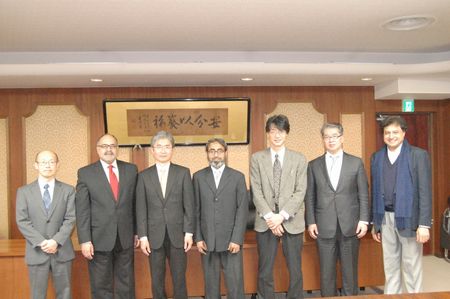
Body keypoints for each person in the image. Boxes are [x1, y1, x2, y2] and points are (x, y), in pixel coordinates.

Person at [305, 123, 369, 296]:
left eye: (334, 136)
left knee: (350, 274)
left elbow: (363, 193)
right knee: (326, 274)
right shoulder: (313, 165)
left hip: (351, 226)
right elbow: (309, 196)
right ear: (323, 140)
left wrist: (364, 220)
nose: (331, 140)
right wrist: (310, 221)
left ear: (342, 138)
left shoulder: (355, 163)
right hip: (323, 226)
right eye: (327, 136)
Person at [371, 115, 432, 294]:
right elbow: (375, 191)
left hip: (410, 219)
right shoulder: (377, 157)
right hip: (385, 218)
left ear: (404, 133)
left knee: (411, 266)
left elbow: (425, 191)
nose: (391, 136)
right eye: (387, 132)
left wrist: (424, 224)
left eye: (395, 132)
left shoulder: (418, 155)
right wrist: (376, 224)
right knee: (390, 266)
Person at [250, 114, 308, 299]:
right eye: (273, 131)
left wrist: (280, 217)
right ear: (267, 133)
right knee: (265, 269)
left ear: (287, 133)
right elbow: (256, 191)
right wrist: (271, 218)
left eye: (281, 131)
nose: (277, 135)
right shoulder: (257, 158)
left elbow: (300, 191)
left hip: (291, 221)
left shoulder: (299, 159)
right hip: (265, 222)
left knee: (295, 269)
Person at [75, 134, 139, 299]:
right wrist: (85, 240)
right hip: (98, 238)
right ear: (97, 149)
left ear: (117, 149)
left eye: (112, 146)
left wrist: (137, 231)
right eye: (104, 146)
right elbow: (82, 209)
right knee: (101, 284)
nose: (108, 149)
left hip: (125, 236)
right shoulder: (86, 173)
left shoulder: (131, 170)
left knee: (126, 282)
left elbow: (135, 203)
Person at [136, 131, 195, 299]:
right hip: (153, 236)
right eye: (159, 147)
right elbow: (141, 208)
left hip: (178, 235)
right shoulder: (143, 176)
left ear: (172, 150)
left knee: (179, 278)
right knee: (156, 279)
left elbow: (189, 205)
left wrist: (189, 233)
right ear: (152, 150)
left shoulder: (183, 172)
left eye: (167, 147)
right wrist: (143, 236)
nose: (163, 151)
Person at [193, 138, 249, 299]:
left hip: (231, 241)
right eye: (211, 151)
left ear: (225, 153)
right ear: (207, 154)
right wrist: (199, 238)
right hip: (207, 241)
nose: (215, 154)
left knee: (235, 285)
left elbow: (242, 210)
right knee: (211, 286)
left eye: (219, 150)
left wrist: (237, 239)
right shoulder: (198, 177)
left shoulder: (238, 177)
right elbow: (195, 210)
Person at [16, 150, 75, 299]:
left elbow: (71, 218)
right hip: (36, 251)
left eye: (51, 162)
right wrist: (41, 242)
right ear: (36, 165)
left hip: (62, 251)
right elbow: (22, 221)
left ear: (57, 165)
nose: (47, 165)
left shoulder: (68, 190)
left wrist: (55, 241)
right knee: (37, 295)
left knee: (65, 294)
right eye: (43, 162)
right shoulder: (24, 192)